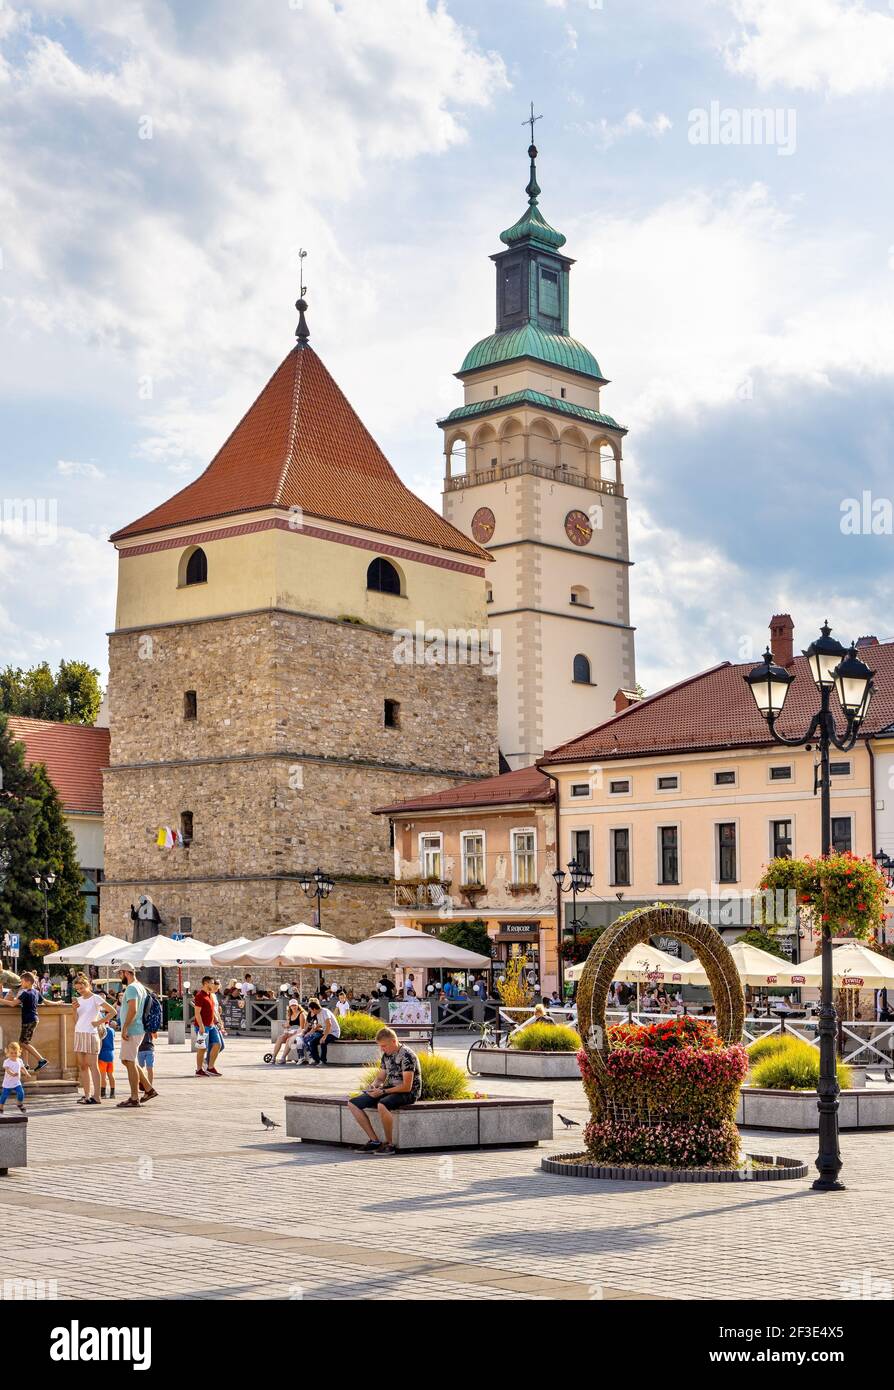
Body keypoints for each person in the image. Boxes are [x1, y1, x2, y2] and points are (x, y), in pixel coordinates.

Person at [345, 1027, 422, 1155]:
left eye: (384, 1046)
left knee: (382, 1104)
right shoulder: (386, 1055)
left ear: (393, 1041)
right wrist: (373, 1086)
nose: (382, 1049)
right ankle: (374, 1141)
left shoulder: (407, 1056)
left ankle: (389, 1144)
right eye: (380, 1046)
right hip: (390, 1089)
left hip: (408, 1093)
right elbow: (381, 1077)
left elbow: (407, 1086)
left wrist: (383, 1092)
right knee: (353, 1103)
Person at [116, 963, 156, 1109]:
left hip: (132, 1029)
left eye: (120, 974)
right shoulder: (140, 987)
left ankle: (134, 1097)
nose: (119, 977)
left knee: (128, 1061)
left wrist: (125, 1027)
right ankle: (148, 1088)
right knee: (127, 1061)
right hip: (138, 1028)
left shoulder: (132, 988)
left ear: (126, 973)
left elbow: (132, 1009)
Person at [72, 973, 114, 1106]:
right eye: (77, 989)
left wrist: (99, 1022)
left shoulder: (95, 998)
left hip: (91, 1034)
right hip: (79, 1033)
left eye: (81, 988)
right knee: (83, 1066)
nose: (79, 991)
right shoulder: (78, 1000)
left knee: (93, 1065)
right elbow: (76, 1020)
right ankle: (87, 1095)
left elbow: (113, 1011)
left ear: (87, 985)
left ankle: (97, 1096)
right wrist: (74, 1010)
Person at [0, 970, 49, 1074]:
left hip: (28, 1020)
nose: (20, 984)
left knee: (22, 1043)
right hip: (34, 1019)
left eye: (21, 981)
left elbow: (13, 1004)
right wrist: (57, 1002)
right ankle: (26, 1065)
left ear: (27, 982)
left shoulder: (25, 993)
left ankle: (41, 1060)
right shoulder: (36, 992)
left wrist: (1, 1000)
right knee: (25, 1043)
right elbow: (46, 1002)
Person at [193, 975, 222, 1077]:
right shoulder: (199, 995)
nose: (213, 985)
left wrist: (216, 1021)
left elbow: (211, 1011)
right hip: (202, 1026)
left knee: (217, 1044)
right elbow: (197, 1013)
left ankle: (210, 1067)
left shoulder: (209, 994)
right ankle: (199, 1070)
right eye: (212, 983)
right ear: (206, 983)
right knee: (202, 1048)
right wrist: (201, 1026)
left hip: (211, 1025)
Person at [302, 997, 340, 1065]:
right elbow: (320, 1025)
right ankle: (317, 1060)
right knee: (312, 1042)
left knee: (323, 1042)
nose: (311, 1012)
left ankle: (323, 1061)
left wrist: (324, 1037)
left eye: (311, 1010)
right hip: (327, 1032)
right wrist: (311, 1031)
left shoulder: (325, 1012)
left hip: (334, 1033)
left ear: (314, 1009)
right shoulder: (318, 1014)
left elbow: (329, 1025)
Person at [270, 997, 306, 1064]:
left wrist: (293, 1032)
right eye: (292, 1005)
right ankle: (273, 1057)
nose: (294, 1007)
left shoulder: (301, 1014)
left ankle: (283, 1058)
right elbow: (289, 1025)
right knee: (280, 1038)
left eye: (295, 1005)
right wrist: (286, 1027)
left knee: (288, 1040)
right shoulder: (290, 1014)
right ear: (290, 1006)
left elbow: (302, 1027)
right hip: (292, 1031)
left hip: (300, 1032)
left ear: (298, 1005)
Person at [0, 1042, 29, 1114]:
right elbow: (7, 1070)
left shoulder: (19, 1060)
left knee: (21, 1093)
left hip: (16, 1082)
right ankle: (1, 1107)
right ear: (8, 1053)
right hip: (8, 1083)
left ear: (19, 1052)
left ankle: (19, 1103)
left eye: (15, 1053)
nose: (13, 1055)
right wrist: (12, 1074)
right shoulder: (7, 1061)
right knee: (4, 1096)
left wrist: (26, 1073)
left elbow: (22, 1068)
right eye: (11, 1053)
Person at [97, 1014, 116, 1100]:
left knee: (103, 1075)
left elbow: (100, 1043)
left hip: (103, 1054)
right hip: (111, 1054)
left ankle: (103, 1093)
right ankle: (112, 1093)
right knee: (111, 1074)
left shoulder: (101, 1030)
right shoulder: (112, 1030)